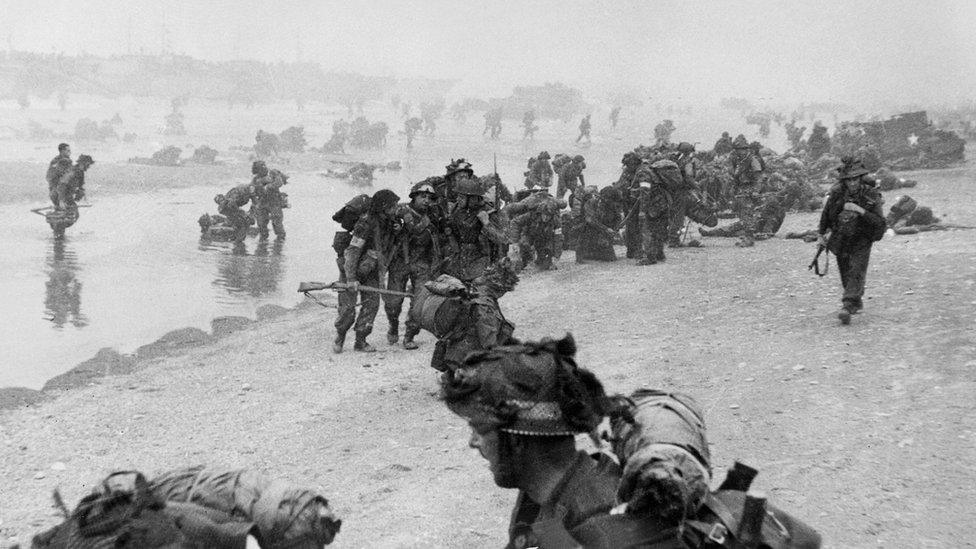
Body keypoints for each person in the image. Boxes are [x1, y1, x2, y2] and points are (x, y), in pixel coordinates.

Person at [440, 334, 616, 548]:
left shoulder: (598, 525)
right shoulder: (547, 495)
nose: (473, 442)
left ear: (516, 440)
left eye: (479, 430)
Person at [417, 258, 518, 373]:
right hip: (465, 360)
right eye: (505, 290)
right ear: (499, 287)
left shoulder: (475, 288)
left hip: (454, 353)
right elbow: (489, 342)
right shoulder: (484, 304)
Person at [817, 160, 886, 325]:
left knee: (857, 268)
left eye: (856, 179)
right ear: (844, 181)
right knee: (845, 271)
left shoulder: (870, 194)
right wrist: (821, 235)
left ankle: (847, 305)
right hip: (841, 237)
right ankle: (855, 301)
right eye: (849, 180)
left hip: (863, 236)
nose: (853, 183)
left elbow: (880, 222)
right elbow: (826, 216)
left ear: (861, 179)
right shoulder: (837, 195)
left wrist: (859, 210)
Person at [336, 189, 401, 353]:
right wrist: (350, 278)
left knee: (371, 305)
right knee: (347, 310)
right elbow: (352, 251)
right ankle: (340, 336)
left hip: (370, 270)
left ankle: (360, 341)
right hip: (350, 269)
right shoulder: (365, 223)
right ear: (384, 207)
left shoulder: (389, 223)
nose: (396, 210)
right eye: (394, 206)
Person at [385, 182, 442, 349]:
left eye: (430, 198)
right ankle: (393, 325)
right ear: (414, 196)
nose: (426, 201)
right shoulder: (399, 212)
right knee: (393, 302)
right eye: (422, 196)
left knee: (419, 303)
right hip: (399, 262)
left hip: (422, 263)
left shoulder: (433, 215)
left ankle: (410, 335)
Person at [444, 178, 507, 281]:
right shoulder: (457, 210)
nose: (458, 200)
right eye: (458, 196)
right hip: (460, 260)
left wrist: (486, 223)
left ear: (472, 198)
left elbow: (501, 239)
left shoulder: (488, 211)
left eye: (462, 197)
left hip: (481, 259)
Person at [728, 135, 766, 247]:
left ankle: (749, 238)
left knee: (747, 213)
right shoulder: (739, 161)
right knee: (742, 214)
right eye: (739, 150)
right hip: (741, 189)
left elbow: (759, 178)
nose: (741, 152)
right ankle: (747, 237)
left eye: (743, 149)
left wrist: (756, 191)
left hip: (750, 189)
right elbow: (735, 175)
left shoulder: (752, 160)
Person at [576, 186, 622, 262]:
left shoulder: (611, 205)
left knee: (610, 258)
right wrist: (606, 229)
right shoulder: (591, 203)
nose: (611, 203)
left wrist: (615, 229)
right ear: (603, 198)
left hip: (604, 233)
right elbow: (590, 220)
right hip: (591, 232)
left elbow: (618, 218)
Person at [250, 161, 287, 240]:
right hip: (262, 202)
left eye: (264, 166)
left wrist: (268, 186)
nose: (263, 168)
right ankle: (263, 242)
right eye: (260, 168)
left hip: (274, 201)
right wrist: (254, 202)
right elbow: (252, 190)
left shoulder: (272, 173)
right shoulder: (255, 179)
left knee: (277, 224)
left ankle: (279, 244)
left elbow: (279, 182)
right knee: (261, 223)